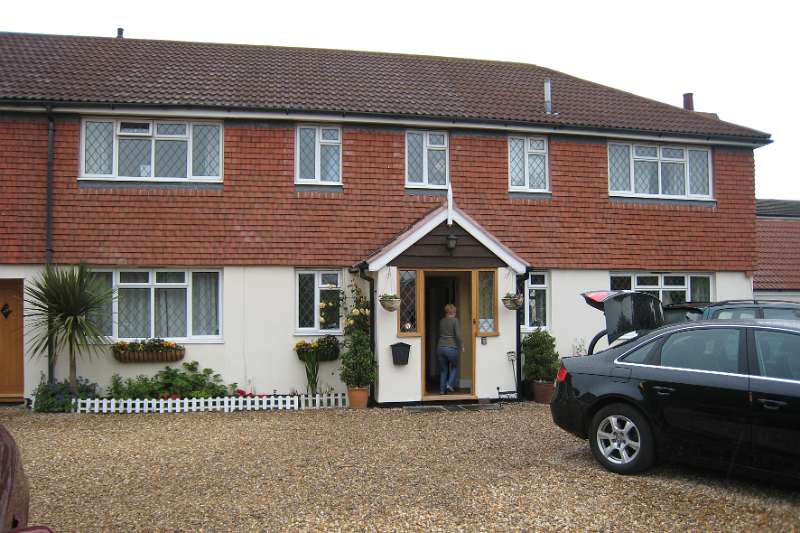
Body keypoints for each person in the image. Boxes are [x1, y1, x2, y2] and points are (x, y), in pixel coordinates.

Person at [437, 304, 462, 394]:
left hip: (440, 347)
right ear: (454, 312)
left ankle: (442, 391)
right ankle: (450, 384)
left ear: (446, 312)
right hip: (451, 347)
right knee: (454, 367)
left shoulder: (441, 321)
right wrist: (461, 345)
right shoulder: (455, 321)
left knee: (443, 370)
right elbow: (458, 335)